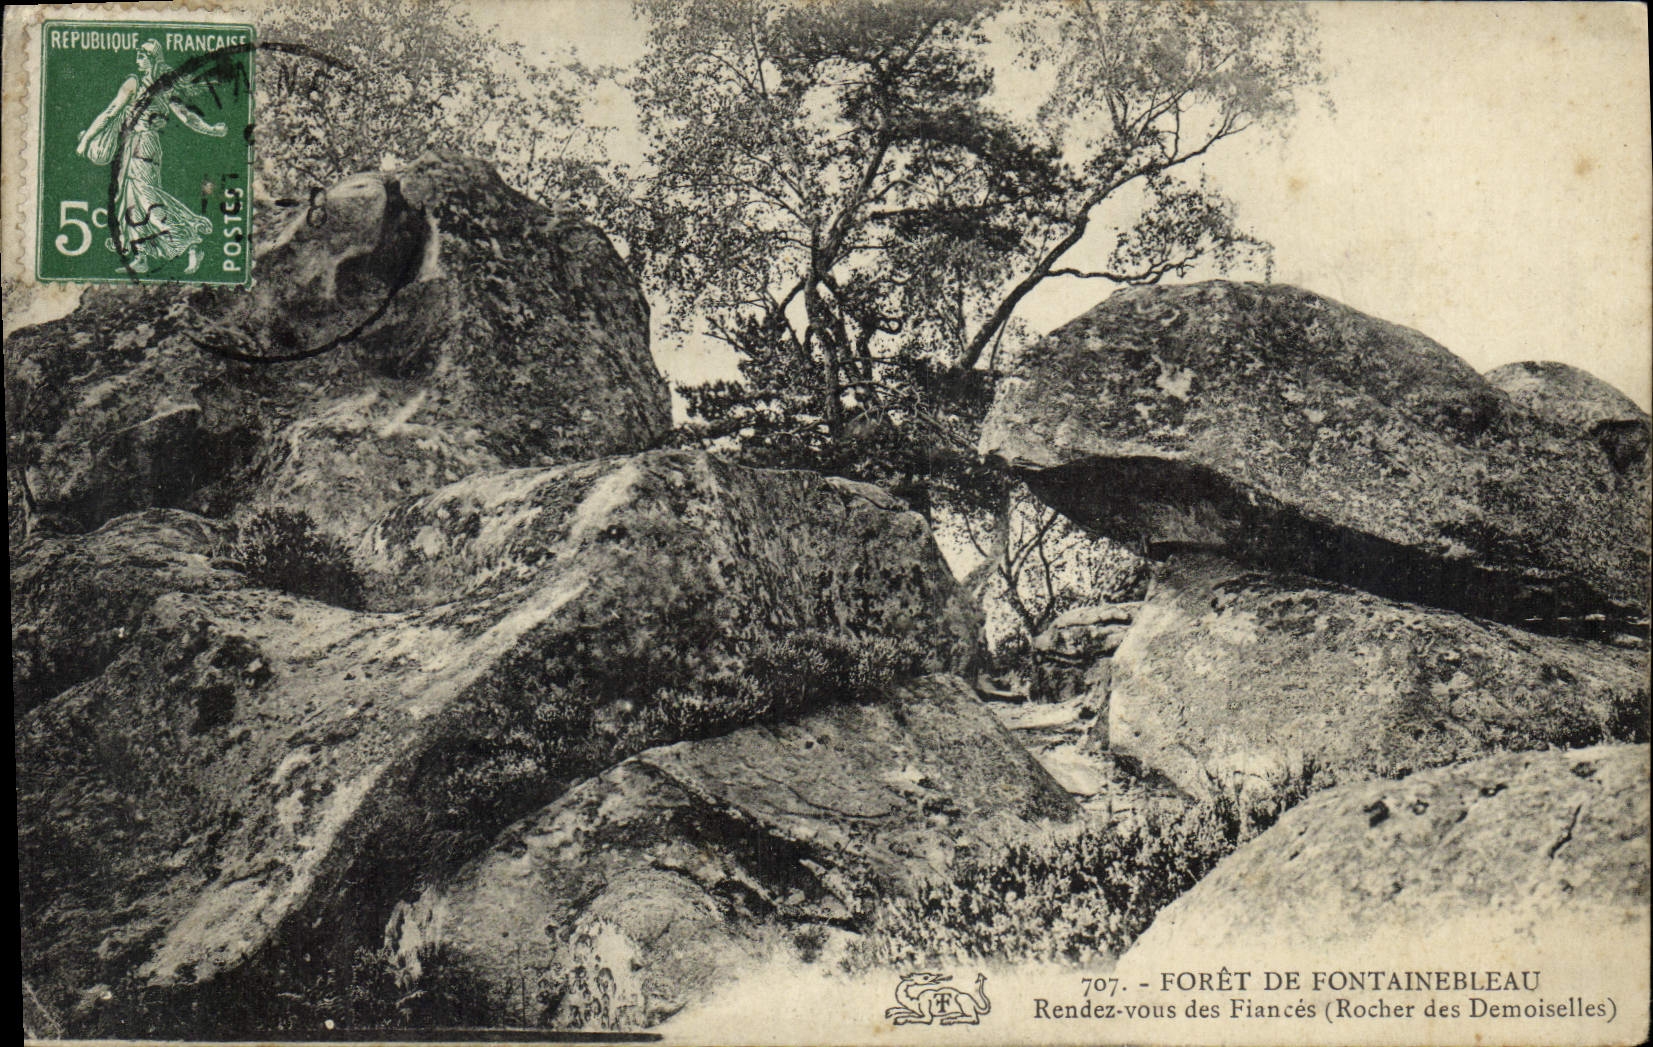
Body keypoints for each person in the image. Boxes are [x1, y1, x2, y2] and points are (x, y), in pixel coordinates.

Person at [75, 39, 226, 274]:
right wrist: (86, 139)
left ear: (155, 59)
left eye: (144, 54)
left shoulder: (161, 86)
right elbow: (111, 112)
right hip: (130, 145)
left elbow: (186, 116)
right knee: (129, 200)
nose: (139, 58)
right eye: (138, 53)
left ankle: (190, 243)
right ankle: (142, 256)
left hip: (145, 145)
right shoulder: (133, 83)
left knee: (146, 199)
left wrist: (211, 130)